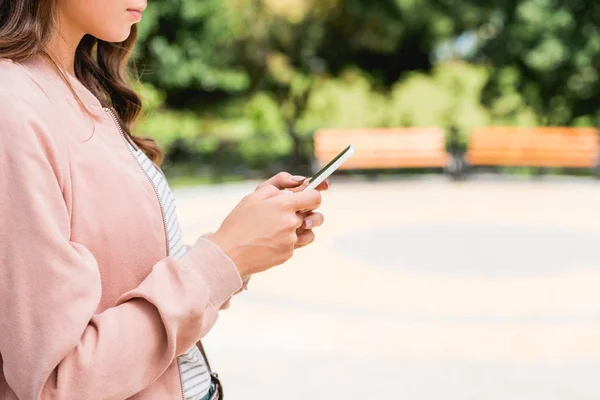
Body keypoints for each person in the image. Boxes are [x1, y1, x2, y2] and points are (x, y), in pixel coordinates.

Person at [0, 1, 327, 399]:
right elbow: (58, 382)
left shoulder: (70, 86)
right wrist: (224, 259)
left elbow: (115, 279)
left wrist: (240, 245)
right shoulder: (14, 108)